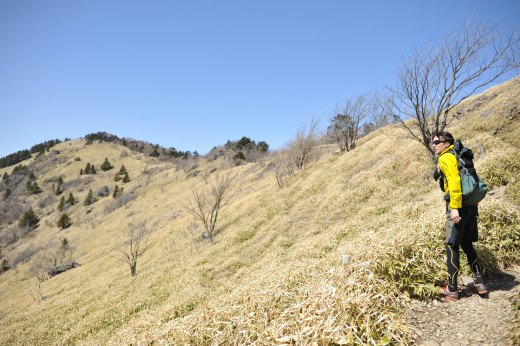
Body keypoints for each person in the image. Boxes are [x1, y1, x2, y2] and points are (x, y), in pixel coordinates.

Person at [432, 132, 488, 301]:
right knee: (467, 243)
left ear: (446, 143)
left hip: (458, 206)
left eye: (436, 142)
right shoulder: (459, 156)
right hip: (471, 206)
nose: (433, 145)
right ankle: (479, 282)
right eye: (432, 142)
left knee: (452, 244)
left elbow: (455, 182)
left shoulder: (446, 157)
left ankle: (452, 289)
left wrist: (454, 208)